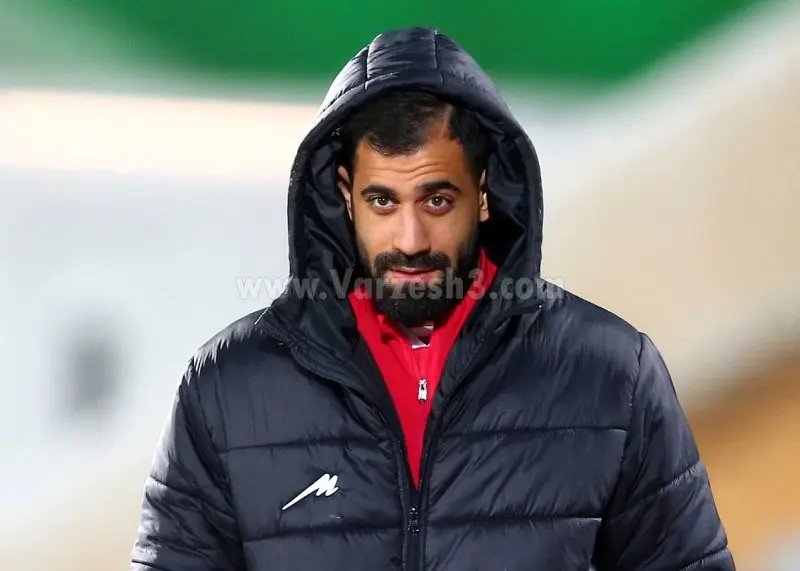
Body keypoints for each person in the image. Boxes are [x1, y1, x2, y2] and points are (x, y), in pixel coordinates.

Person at [130, 27, 735, 571]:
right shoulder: (227, 390)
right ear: (344, 195)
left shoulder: (611, 375)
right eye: (383, 202)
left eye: (437, 201)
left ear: (485, 193)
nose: (410, 240)